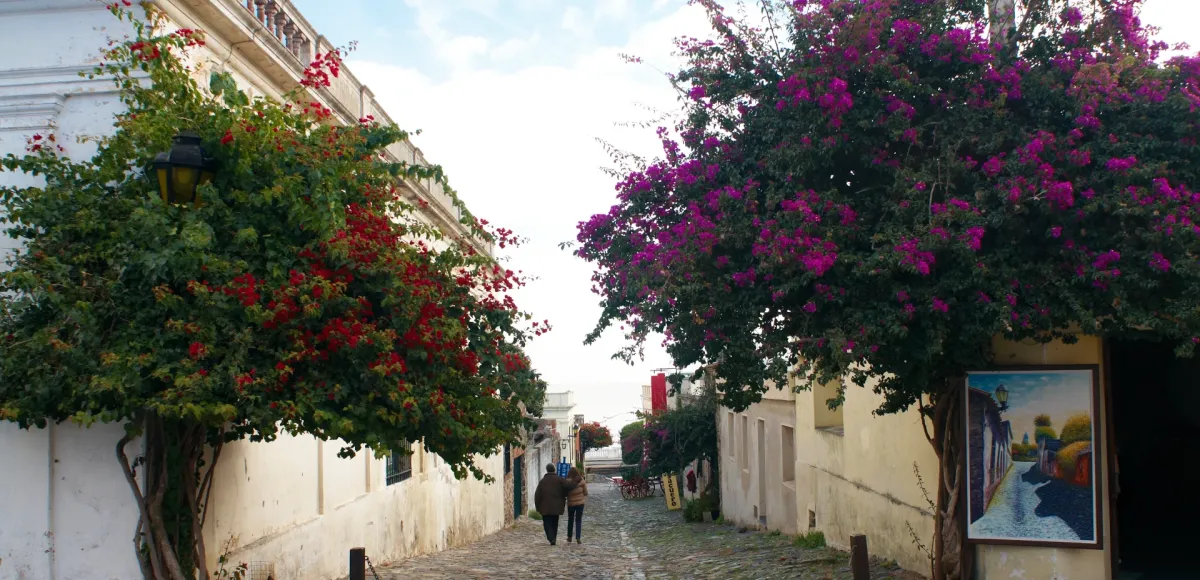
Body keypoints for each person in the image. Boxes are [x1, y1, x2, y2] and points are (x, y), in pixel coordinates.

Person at [533, 463, 576, 545]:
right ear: (554, 470)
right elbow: (569, 486)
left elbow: (537, 495)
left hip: (544, 507)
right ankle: (554, 539)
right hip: (557, 506)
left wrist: (538, 507)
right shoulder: (559, 479)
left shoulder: (542, 481)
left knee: (547, 523)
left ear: (547, 470)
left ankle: (551, 538)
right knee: (554, 523)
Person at [565, 467, 588, 544]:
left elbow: (565, 493)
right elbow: (585, 492)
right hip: (580, 504)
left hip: (571, 503)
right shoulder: (581, 481)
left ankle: (569, 537)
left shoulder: (567, 482)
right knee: (578, 520)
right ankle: (578, 537)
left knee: (570, 520)